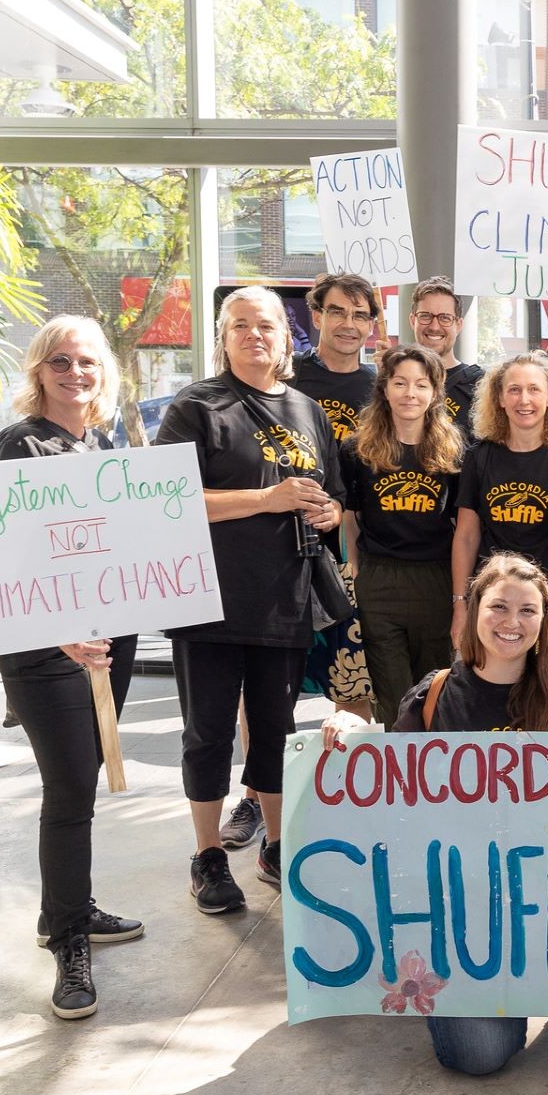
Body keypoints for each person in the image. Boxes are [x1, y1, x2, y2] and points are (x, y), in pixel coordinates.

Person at [321, 553, 548, 1075]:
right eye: (498, 606)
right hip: (463, 909)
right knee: (475, 1056)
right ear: (473, 610)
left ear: (546, 622)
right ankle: (507, 989)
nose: (512, 622)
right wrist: (353, 733)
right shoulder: (433, 697)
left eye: (528, 610)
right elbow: (390, 795)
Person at [156, 285, 344, 908]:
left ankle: (276, 844)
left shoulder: (306, 410)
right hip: (206, 600)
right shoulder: (197, 406)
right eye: (239, 325)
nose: (253, 335)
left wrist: (326, 511)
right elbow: (168, 499)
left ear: (286, 338)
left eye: (265, 325)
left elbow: (333, 493)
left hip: (283, 597)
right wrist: (267, 499)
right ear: (223, 337)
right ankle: (208, 855)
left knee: (275, 729)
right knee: (207, 733)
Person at [0, 316, 143, 1020]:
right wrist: (58, 634)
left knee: (83, 785)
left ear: (103, 371)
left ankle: (72, 908)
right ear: (39, 371)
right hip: (44, 651)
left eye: (85, 361)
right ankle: (68, 941)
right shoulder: (18, 446)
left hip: (107, 643)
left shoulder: (102, 442)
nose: (74, 373)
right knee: (71, 789)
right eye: (60, 361)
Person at [220, 273, 381, 852]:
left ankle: (345, 791)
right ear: (314, 317)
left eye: (359, 314)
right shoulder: (287, 381)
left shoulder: (381, 386)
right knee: (266, 696)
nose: (346, 323)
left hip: (343, 557)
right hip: (271, 563)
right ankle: (255, 797)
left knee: (350, 683)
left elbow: (355, 488)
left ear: (371, 324)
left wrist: (351, 544)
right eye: (335, 311)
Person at [339, 344, 463, 728]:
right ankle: (398, 784)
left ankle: (435, 781)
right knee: (393, 698)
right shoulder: (357, 449)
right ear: (384, 389)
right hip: (380, 580)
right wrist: (356, 573)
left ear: (435, 393)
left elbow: (463, 525)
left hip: (435, 580)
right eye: (400, 383)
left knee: (435, 693)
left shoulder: (455, 450)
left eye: (421, 384)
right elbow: (349, 516)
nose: (410, 393)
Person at [453, 351, 548, 667]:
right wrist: (460, 605)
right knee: (492, 697)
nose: (524, 399)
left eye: (534, 389)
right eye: (514, 389)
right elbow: (466, 537)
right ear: (499, 398)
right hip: (494, 601)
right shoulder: (480, 456)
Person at [409, 275, 485, 438]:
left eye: (445, 318)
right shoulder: (396, 379)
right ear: (412, 320)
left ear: (458, 325)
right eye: (425, 316)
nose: (434, 326)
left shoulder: (480, 385)